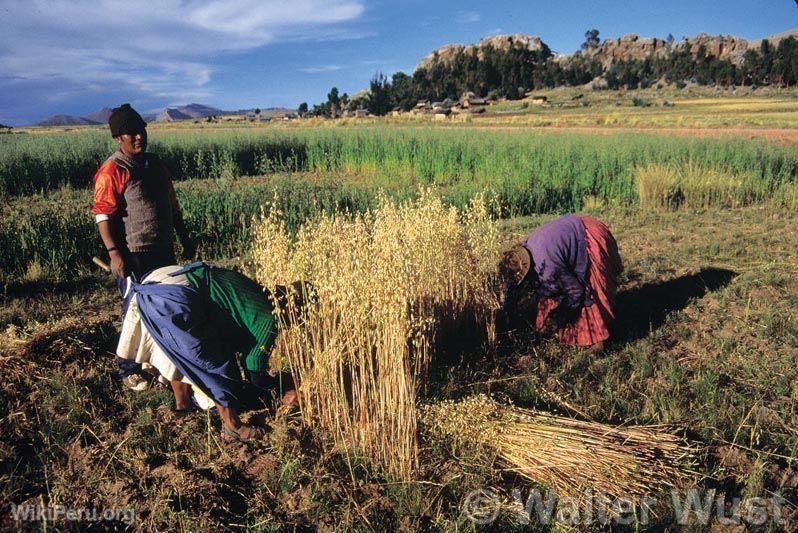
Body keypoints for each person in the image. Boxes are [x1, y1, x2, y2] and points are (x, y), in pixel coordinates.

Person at [116, 262, 307, 443]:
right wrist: (279, 389)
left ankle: (183, 406)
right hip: (173, 297)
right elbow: (254, 369)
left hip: (156, 284)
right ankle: (233, 427)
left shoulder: (256, 292)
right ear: (295, 307)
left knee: (181, 353)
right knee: (215, 362)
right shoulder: (270, 317)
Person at [92, 104, 195, 390]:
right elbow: (103, 214)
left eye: (142, 130)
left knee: (167, 306)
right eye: (131, 133)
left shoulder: (156, 165)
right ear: (118, 138)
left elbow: (173, 207)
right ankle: (129, 370)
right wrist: (114, 252)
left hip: (163, 249)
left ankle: (160, 364)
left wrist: (184, 237)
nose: (139, 137)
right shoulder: (113, 169)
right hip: (133, 253)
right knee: (135, 310)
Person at [499, 214, 622, 353]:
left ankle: (599, 341)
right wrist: (507, 314)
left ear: (526, 273)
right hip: (573, 227)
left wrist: (560, 316)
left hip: (589, 234)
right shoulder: (523, 253)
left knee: (590, 288)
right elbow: (512, 288)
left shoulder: (547, 267)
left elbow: (576, 292)